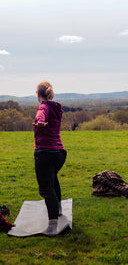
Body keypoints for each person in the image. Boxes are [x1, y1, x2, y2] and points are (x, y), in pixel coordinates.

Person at [33, 81, 67, 235]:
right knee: (52, 180)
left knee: (46, 188)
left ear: (38, 94)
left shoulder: (43, 106)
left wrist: (39, 122)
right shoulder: (57, 108)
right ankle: (58, 210)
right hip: (59, 154)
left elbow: (41, 114)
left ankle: (53, 223)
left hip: (45, 153)